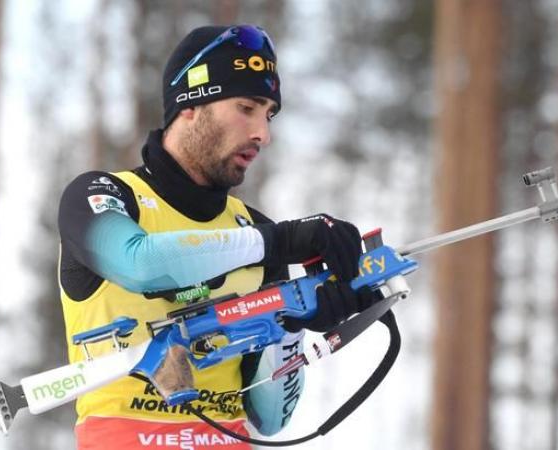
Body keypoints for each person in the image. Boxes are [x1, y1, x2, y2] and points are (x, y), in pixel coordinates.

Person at [57, 24, 369, 450]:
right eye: (247, 107)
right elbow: (141, 264)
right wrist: (275, 242)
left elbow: (269, 416)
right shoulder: (105, 195)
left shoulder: (254, 226)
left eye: (269, 115)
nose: (263, 134)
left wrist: (296, 327)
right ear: (190, 105)